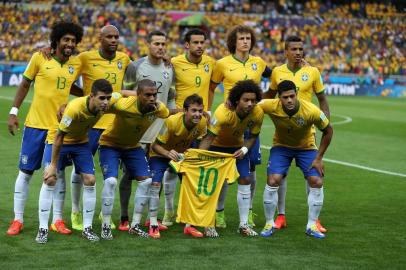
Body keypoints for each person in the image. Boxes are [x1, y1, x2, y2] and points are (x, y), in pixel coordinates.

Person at [6, 21, 83, 236]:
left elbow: (70, 85)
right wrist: (13, 112)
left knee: (56, 173)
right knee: (26, 172)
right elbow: (24, 84)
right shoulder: (40, 57)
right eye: (66, 39)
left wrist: (85, 96)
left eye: (73, 40)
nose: (69, 44)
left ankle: (57, 220)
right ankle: (17, 219)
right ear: (56, 40)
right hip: (35, 126)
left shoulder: (76, 63)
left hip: (59, 130)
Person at [40, 79, 118, 243]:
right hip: (59, 140)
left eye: (108, 98)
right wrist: (53, 165)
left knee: (90, 179)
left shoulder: (106, 104)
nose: (106, 102)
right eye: (102, 98)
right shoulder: (75, 108)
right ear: (91, 96)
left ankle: (87, 229)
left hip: (81, 142)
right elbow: (59, 136)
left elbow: (123, 94)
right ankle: (43, 229)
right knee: (50, 179)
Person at [209, 25, 272, 228]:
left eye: (248, 38)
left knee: (250, 169)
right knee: (224, 170)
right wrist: (210, 110)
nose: (245, 41)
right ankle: (219, 212)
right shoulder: (222, 64)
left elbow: (277, 77)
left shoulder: (259, 63)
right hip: (230, 121)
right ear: (233, 42)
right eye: (241, 38)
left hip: (251, 121)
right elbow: (210, 86)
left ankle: (249, 211)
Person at [266, 35, 330, 232]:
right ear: (286, 51)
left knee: (311, 175)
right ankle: (281, 216)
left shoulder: (312, 71)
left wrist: (324, 121)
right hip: (283, 132)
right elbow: (268, 97)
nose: (298, 52)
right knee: (280, 176)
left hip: (307, 128)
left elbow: (322, 99)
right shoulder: (277, 71)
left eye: (301, 49)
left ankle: (314, 219)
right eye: (294, 49)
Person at [70, 25, 131, 231]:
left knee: (111, 174)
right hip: (91, 124)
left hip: (116, 125)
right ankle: (76, 210)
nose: (114, 40)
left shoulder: (124, 59)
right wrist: (85, 97)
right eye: (109, 37)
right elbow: (67, 78)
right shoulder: (85, 58)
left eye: (116, 36)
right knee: (81, 169)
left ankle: (104, 213)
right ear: (100, 38)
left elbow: (137, 77)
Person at [258, 80, 333, 239]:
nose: (289, 100)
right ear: (279, 98)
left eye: (292, 96)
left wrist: (319, 158)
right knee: (273, 180)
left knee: (316, 181)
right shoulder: (270, 105)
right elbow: (252, 103)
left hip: (306, 148)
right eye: (285, 97)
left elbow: (328, 130)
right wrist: (232, 102)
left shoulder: (311, 110)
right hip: (282, 147)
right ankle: (269, 223)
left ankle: (312, 225)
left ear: (296, 94)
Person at [118, 30, 176, 231]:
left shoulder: (170, 68)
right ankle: (124, 217)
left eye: (163, 44)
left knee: (156, 174)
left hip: (159, 131)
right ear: (148, 45)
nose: (160, 47)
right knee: (128, 174)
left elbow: (171, 98)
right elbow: (125, 96)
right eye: (157, 43)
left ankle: (151, 218)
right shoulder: (135, 67)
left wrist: (168, 118)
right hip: (137, 130)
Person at [98, 79, 170, 239]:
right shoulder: (123, 105)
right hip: (110, 144)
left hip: (132, 146)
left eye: (154, 95)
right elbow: (101, 105)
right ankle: (105, 225)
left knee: (146, 181)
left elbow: (166, 113)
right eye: (147, 95)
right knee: (110, 181)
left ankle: (135, 225)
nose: (152, 98)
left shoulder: (158, 109)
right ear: (138, 95)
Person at [199, 79, 264, 237]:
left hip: (237, 148)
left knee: (245, 179)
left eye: (253, 100)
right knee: (213, 184)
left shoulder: (258, 113)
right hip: (216, 148)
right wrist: (199, 158)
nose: (250, 104)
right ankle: (209, 223)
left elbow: (253, 136)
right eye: (246, 100)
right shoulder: (223, 112)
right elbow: (208, 138)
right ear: (236, 100)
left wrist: (244, 149)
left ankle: (243, 225)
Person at [150, 94, 207, 237]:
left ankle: (190, 224)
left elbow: (203, 140)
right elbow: (155, 145)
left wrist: (194, 154)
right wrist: (168, 153)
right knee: (155, 184)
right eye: (193, 110)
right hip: (160, 153)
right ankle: (152, 223)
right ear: (185, 111)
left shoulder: (202, 123)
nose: (197, 114)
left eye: (200, 111)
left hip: (181, 156)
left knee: (192, 184)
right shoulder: (171, 122)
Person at [171, 28, 216, 112]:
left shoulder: (211, 62)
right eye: (195, 42)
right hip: (181, 115)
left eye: (202, 43)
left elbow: (212, 89)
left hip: (202, 115)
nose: (199, 46)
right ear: (187, 45)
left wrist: (209, 111)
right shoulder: (174, 62)